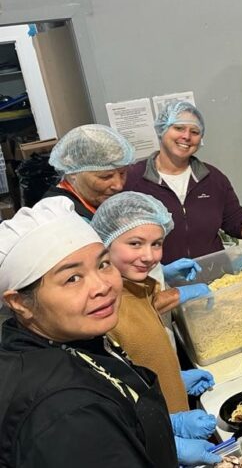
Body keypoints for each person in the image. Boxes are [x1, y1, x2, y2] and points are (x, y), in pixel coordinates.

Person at [0, 196, 217, 467]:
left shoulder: (76, 336)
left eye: (103, 264)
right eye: (72, 278)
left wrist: (154, 422)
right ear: (20, 303)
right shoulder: (65, 411)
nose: (102, 286)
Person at [91, 192, 216, 414]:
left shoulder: (136, 288)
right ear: (105, 244)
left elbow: (145, 356)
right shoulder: (104, 307)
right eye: (135, 243)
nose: (149, 256)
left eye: (156, 244)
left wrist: (172, 381)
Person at [125, 101, 242, 264]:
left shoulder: (212, 178)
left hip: (213, 276)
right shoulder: (134, 180)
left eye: (195, 132)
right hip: (158, 286)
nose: (186, 136)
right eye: (178, 128)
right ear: (162, 130)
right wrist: (161, 273)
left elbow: (235, 220)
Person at [45, 124, 136, 219]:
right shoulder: (60, 216)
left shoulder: (97, 202)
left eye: (122, 173)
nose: (119, 186)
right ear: (73, 172)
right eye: (106, 176)